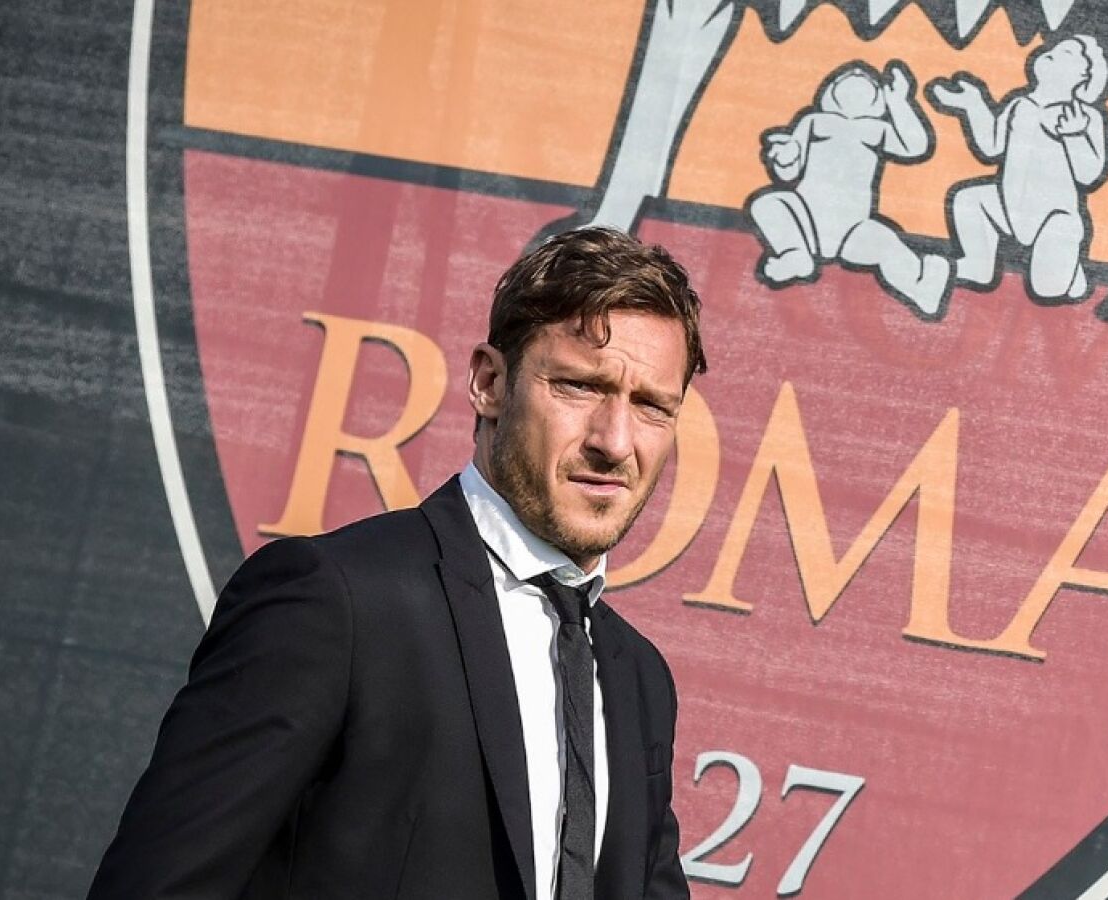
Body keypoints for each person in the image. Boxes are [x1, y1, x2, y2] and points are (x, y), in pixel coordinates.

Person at [88, 227, 704, 899]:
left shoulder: (638, 679)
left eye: (651, 406)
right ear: (489, 383)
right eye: (580, 387)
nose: (615, 442)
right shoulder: (336, 603)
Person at [749, 60, 951, 319]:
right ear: (830, 91)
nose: (857, 75)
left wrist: (899, 101)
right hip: (804, 219)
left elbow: (915, 146)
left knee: (886, 242)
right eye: (847, 79)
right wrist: (784, 156)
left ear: (878, 98)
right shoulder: (814, 121)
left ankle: (921, 286)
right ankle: (794, 253)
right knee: (768, 203)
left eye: (866, 82)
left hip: (853, 230)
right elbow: (788, 173)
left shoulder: (876, 129)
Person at [929, 35, 1108, 304]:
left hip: (1054, 217)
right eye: (1053, 50)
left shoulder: (1085, 116)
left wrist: (1075, 136)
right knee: (969, 198)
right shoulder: (1020, 104)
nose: (1051, 53)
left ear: (1083, 75)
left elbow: (1089, 175)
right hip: (1008, 207)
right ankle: (978, 265)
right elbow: (992, 147)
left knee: (1048, 289)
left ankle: (1072, 275)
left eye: (1068, 54)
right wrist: (973, 105)